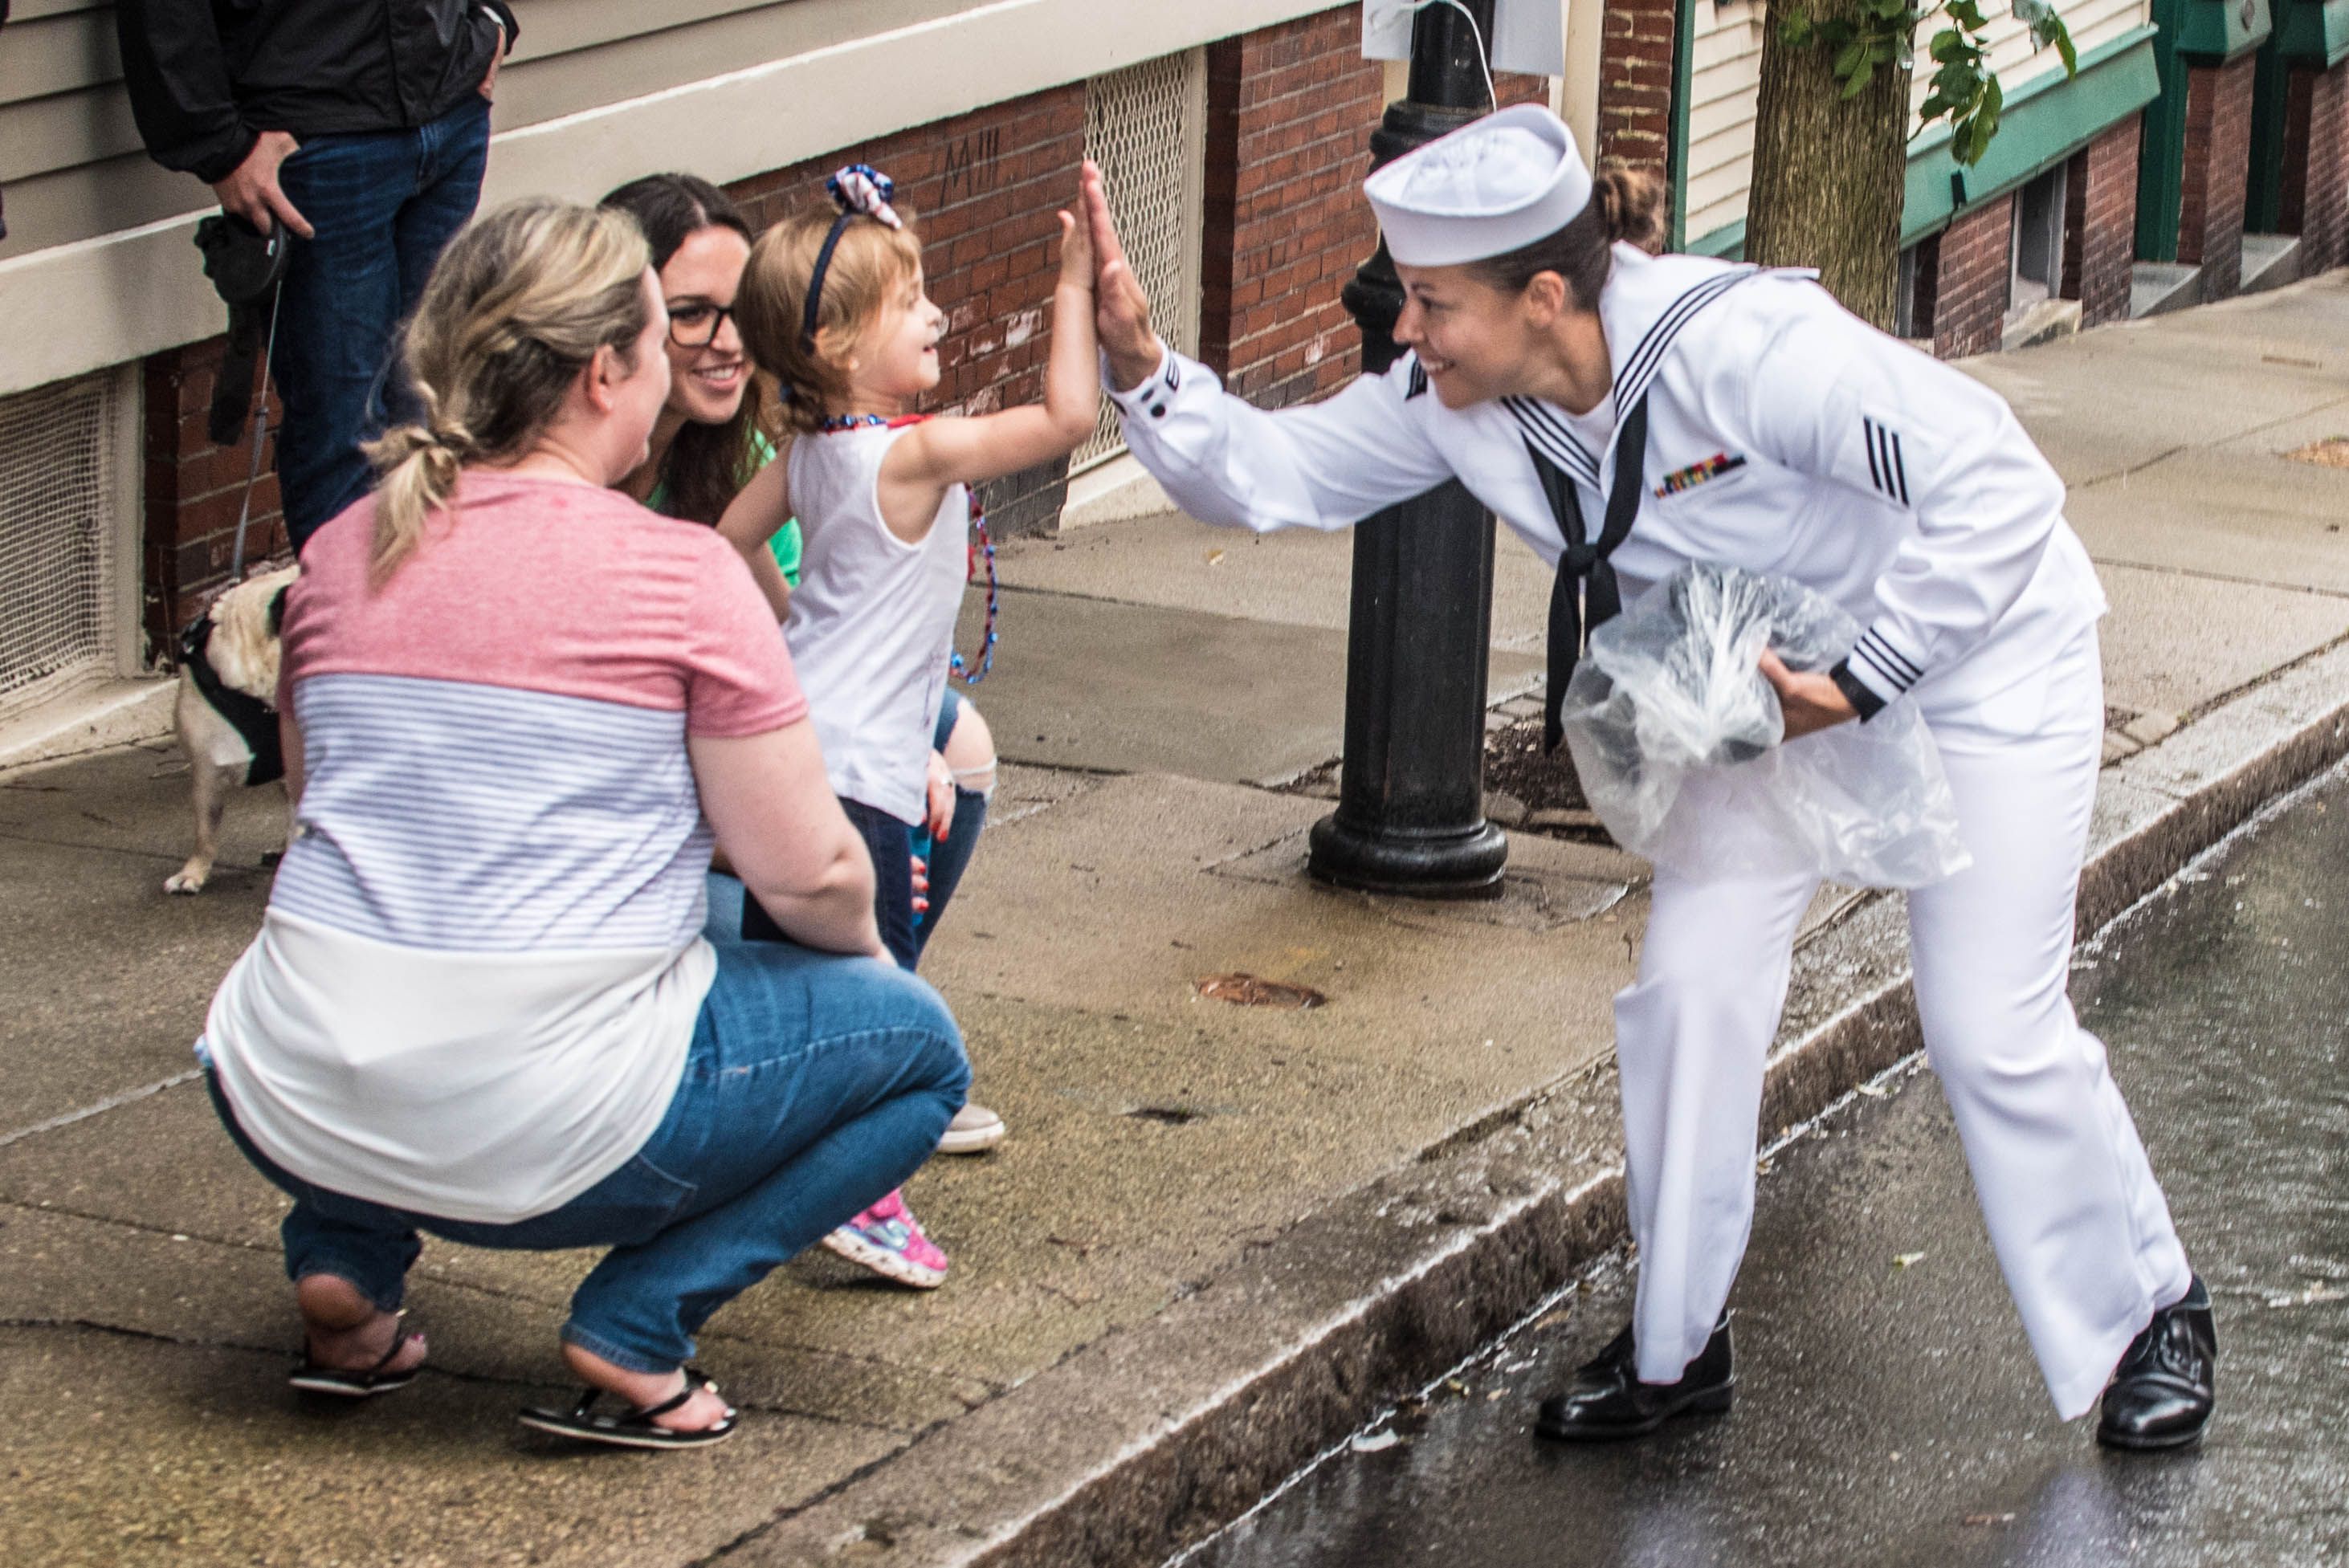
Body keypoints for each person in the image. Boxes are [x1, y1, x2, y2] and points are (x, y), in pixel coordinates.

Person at [1080, 105, 2216, 1452]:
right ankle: (1678, 1346)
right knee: (1690, 990)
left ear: (1543, 295)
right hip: (1762, 690)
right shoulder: (1457, 406)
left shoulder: (1746, 349)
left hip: (1973, 656)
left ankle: (2152, 1311)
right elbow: (1274, 473)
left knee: (1988, 1023)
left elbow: (1998, 483)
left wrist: (1861, 677)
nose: (1404, 331)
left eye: (1431, 303)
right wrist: (1148, 367)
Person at [194, 198, 969, 1451]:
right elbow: (812, 870)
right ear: (609, 368)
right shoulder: (682, 577)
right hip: (553, 1134)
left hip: (287, 1083)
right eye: (665, 337)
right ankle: (639, 1324)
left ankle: (344, 1263)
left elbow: (327, 805)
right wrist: (868, 972)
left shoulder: (337, 553)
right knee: (923, 1051)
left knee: (426, 938)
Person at [712, 164, 1099, 1287]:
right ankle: (860, 1195)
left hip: (798, 755)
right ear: (835, 345)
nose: (936, 314)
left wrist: (793, 648)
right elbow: (1070, 416)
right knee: (877, 1007)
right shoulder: (910, 454)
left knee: (800, 989)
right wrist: (1071, 283)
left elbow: (724, 546)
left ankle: (776, 1165)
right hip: (854, 783)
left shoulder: (808, 459)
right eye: (911, 298)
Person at [600, 173, 1007, 1160]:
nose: (729, 341)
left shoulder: (766, 451)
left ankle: (876, 1011)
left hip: (760, 748)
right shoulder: (588, 476)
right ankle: (858, 1045)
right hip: (653, 806)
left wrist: (873, 728)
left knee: (957, 741)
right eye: (690, 315)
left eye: (742, 313)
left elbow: (810, 626)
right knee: (856, 829)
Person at [116, 0, 516, 553]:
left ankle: (420, 627)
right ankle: (349, 633)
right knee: (341, 430)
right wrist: (220, 147)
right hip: (318, 140)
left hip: (451, 110)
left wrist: (493, 21)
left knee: (433, 407)